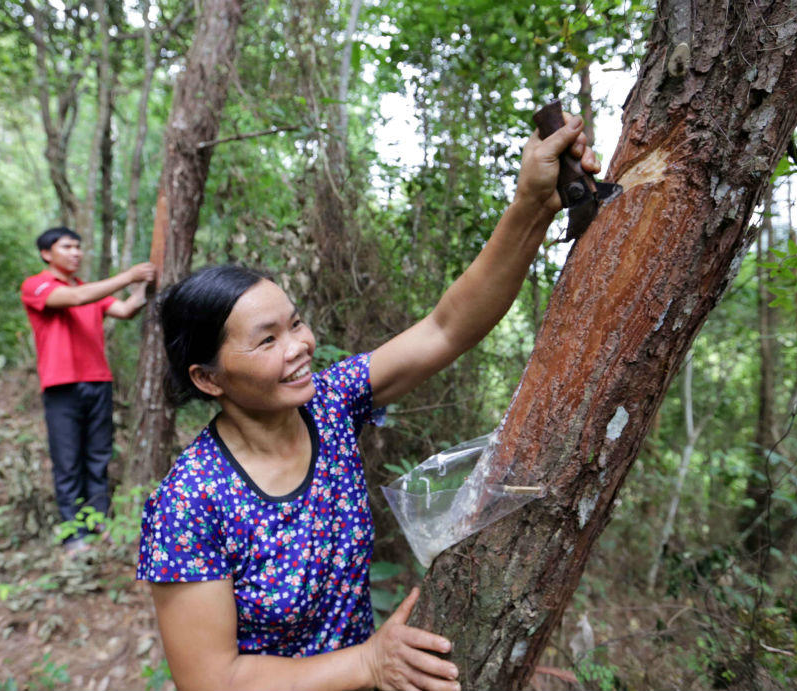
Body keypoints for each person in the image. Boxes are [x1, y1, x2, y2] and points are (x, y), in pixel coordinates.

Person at [136, 114, 599, 691]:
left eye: (296, 323)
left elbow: (446, 328)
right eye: (267, 340)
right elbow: (210, 679)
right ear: (209, 380)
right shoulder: (190, 502)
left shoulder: (327, 405)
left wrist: (532, 204)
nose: (300, 347)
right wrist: (368, 663)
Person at [21, 226, 156, 553]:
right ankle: (73, 534)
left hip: (98, 381)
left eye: (79, 247)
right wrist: (127, 276)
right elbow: (77, 298)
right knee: (68, 461)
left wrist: (144, 286)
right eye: (67, 247)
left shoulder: (90, 289)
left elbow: (124, 310)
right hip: (61, 386)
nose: (76, 253)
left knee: (98, 456)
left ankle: (98, 522)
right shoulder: (37, 285)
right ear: (46, 253)